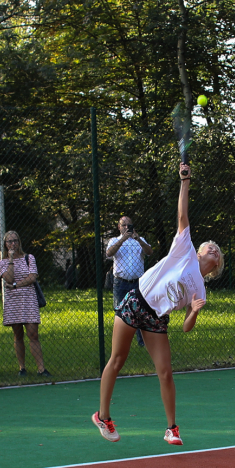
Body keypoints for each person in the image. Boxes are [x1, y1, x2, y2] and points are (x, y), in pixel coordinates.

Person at [92, 163, 223, 446]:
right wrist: (185, 182)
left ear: (215, 267)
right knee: (117, 359)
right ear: (199, 250)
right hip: (136, 300)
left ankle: (171, 429)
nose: (213, 249)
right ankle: (103, 416)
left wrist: (195, 312)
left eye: (218, 252)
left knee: (165, 371)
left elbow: (187, 328)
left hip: (156, 319)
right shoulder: (184, 247)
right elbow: (182, 213)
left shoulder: (200, 289)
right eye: (209, 246)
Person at [0, 231, 50, 377]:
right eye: (9, 242)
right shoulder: (2, 262)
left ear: (19, 242)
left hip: (28, 299)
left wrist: (15, 285)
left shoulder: (29, 258)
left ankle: (41, 369)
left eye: (15, 241)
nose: (12, 244)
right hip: (13, 302)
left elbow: (32, 277)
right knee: (17, 335)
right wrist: (11, 259)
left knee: (33, 334)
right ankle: (22, 368)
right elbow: (8, 278)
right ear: (5, 244)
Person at [105, 215, 152, 347]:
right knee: (120, 312)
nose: (126, 227)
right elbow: (109, 253)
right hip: (120, 282)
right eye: (123, 225)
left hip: (138, 283)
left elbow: (149, 252)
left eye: (128, 225)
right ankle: (120, 343)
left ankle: (142, 342)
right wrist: (124, 239)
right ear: (119, 227)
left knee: (140, 311)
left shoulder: (139, 240)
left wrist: (138, 239)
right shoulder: (114, 240)